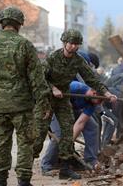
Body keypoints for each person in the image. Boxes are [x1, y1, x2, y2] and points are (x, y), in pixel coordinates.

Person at [0, 6, 51, 186]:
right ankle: (23, 181)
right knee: (25, 143)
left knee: (2, 143)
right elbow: (37, 79)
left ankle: (1, 181)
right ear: (19, 24)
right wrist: (44, 104)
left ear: (2, 23)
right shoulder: (24, 45)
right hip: (22, 106)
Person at [33, 29, 117, 180]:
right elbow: (40, 78)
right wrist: (53, 88)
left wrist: (106, 93)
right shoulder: (53, 58)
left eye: (76, 44)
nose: (73, 47)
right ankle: (29, 164)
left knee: (66, 133)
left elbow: (92, 79)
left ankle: (65, 168)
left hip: (63, 100)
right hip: (47, 98)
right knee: (38, 136)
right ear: (64, 42)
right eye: (71, 43)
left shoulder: (78, 60)